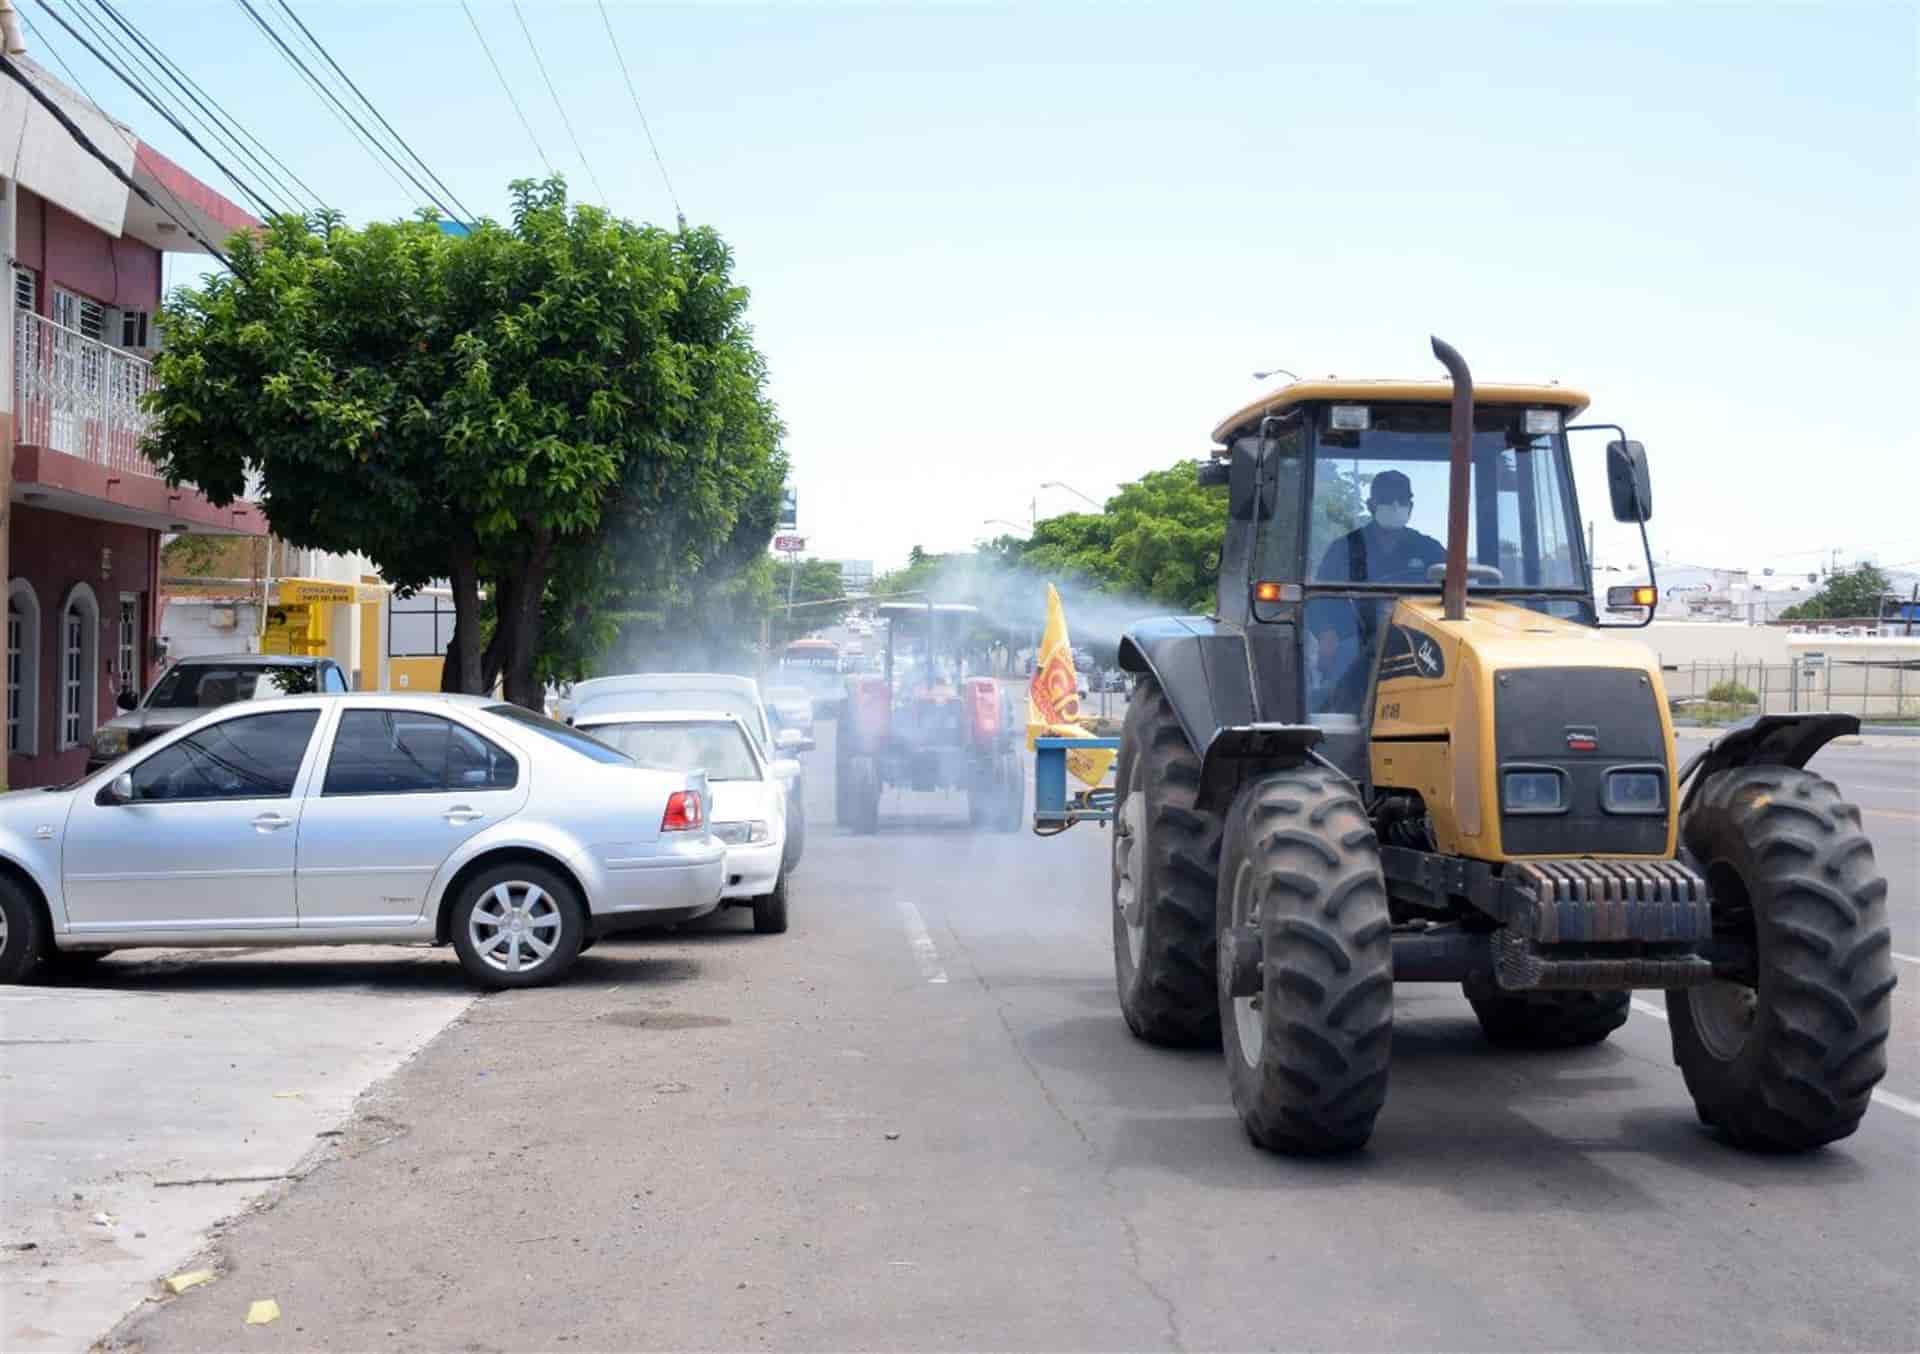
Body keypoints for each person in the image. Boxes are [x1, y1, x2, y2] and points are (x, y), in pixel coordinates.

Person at [1314, 470, 1447, 584]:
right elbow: (1322, 604)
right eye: (1387, 499)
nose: (1395, 506)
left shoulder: (1430, 549)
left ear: (1410, 507)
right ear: (1371, 505)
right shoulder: (1343, 549)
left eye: (1401, 499)